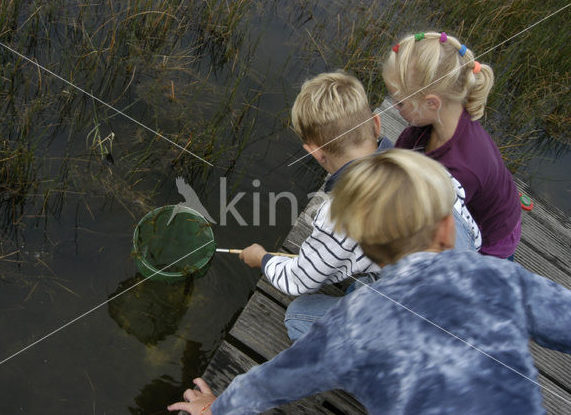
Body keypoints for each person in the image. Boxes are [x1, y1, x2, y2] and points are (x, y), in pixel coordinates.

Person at [168, 149, 571, 415]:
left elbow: (274, 381)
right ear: (448, 229)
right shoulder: (499, 276)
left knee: (300, 318)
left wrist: (216, 408)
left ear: (369, 254)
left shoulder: (356, 323)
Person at [239, 70, 480, 340]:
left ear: (315, 153)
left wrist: (262, 258)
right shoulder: (427, 167)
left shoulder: (337, 216)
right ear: (377, 124)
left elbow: (299, 281)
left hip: (420, 335)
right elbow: (474, 235)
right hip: (470, 297)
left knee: (298, 317)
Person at [383, 31, 521, 259]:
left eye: (399, 103)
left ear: (431, 103)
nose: (393, 107)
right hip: (486, 197)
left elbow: (431, 228)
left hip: (491, 236)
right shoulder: (440, 118)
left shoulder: (459, 170)